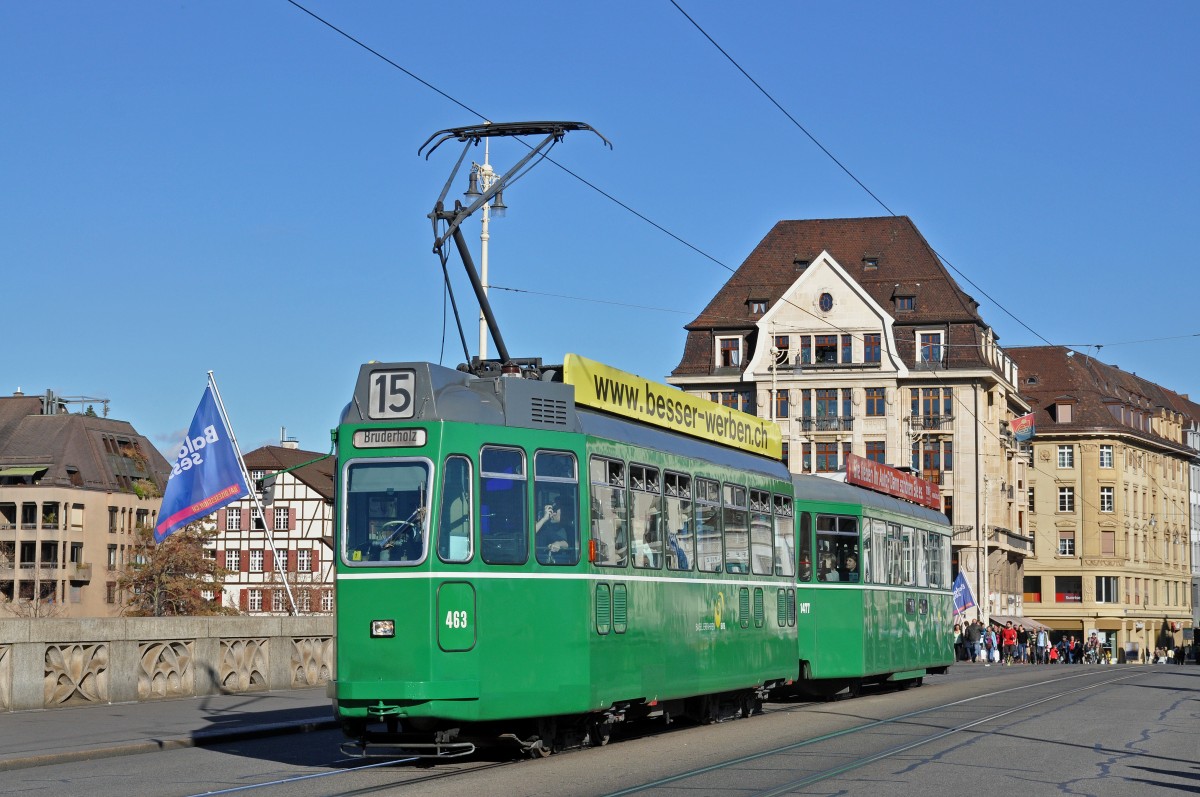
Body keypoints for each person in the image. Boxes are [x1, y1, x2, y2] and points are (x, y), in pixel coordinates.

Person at [535, 499, 573, 564]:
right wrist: (544, 519)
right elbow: (529, 535)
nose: (552, 513)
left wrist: (558, 544)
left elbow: (567, 544)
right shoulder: (543, 526)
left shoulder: (571, 530)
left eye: (555, 510)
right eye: (551, 510)